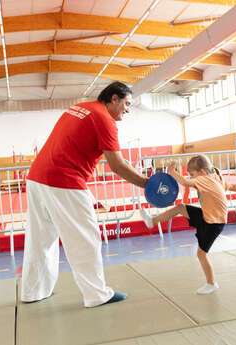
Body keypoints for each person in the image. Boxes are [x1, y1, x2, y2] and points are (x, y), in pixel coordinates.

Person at [21, 82, 148, 307]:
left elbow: (78, 149)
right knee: (85, 238)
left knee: (40, 239)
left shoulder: (81, 108)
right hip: (63, 180)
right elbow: (117, 166)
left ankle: (33, 291)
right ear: (114, 99)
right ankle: (97, 295)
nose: (128, 110)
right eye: (127, 104)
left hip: (37, 177)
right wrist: (147, 184)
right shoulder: (105, 120)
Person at [139, 154, 236, 294]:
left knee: (201, 254)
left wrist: (172, 172)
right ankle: (152, 221)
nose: (191, 177)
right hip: (207, 217)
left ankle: (211, 283)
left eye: (192, 174)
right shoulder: (215, 178)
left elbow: (184, 182)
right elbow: (232, 185)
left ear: (201, 172)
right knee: (180, 208)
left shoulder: (204, 178)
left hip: (213, 223)